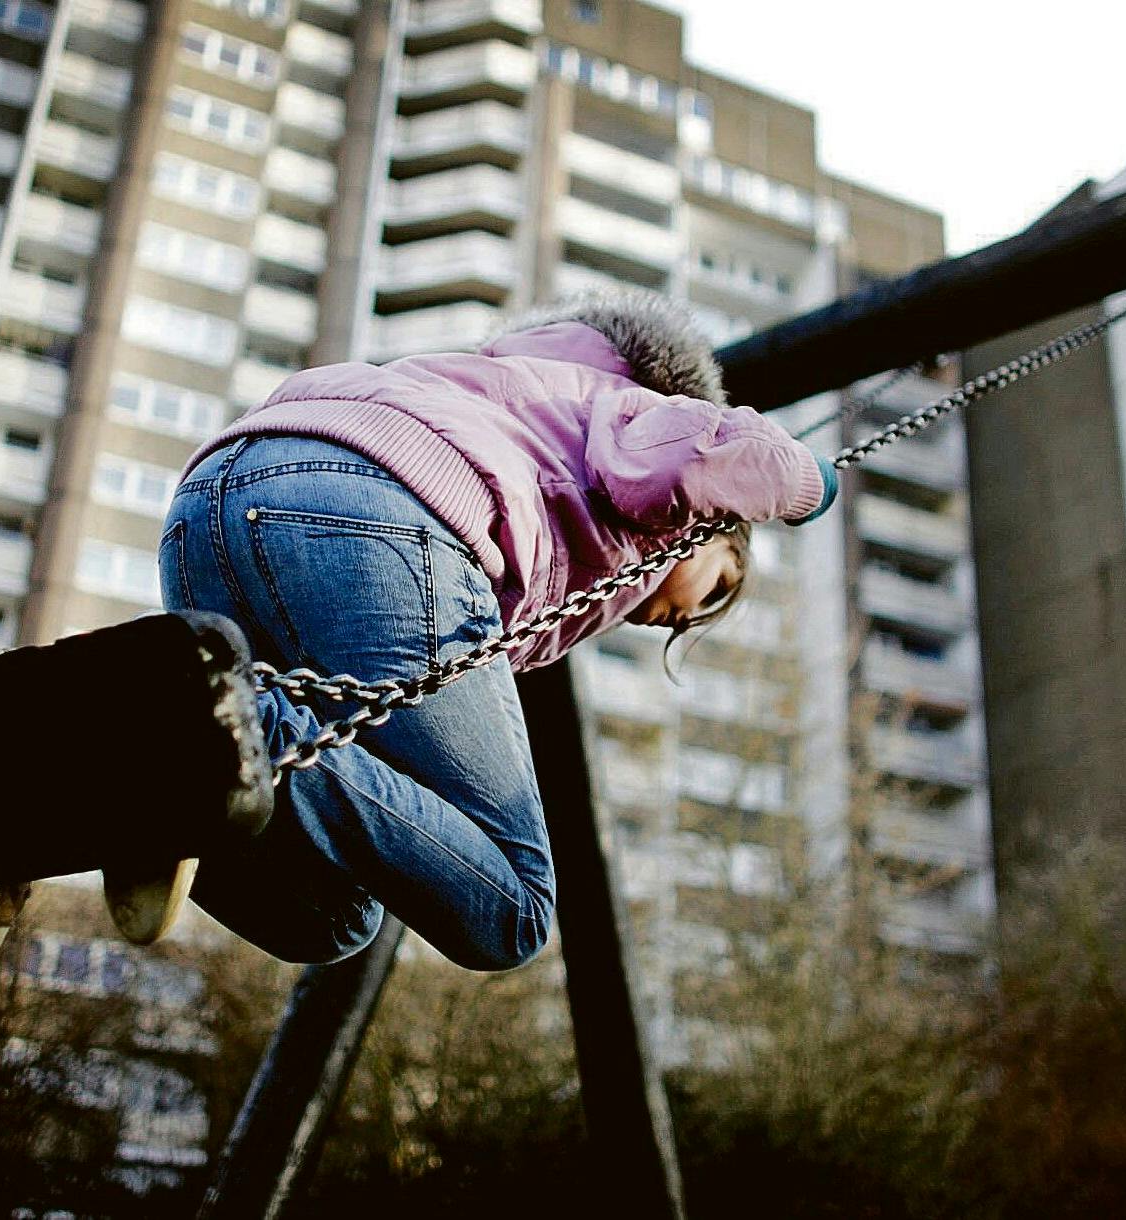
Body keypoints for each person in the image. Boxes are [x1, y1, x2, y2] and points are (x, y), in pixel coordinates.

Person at [151, 290, 836, 971]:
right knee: (515, 909)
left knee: (333, 917)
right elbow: (717, 453)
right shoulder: (637, 412)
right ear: (719, 528)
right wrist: (812, 482)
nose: (683, 619)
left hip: (209, 500)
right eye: (715, 587)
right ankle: (210, 727)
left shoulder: (509, 392)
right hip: (379, 505)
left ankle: (149, 793)